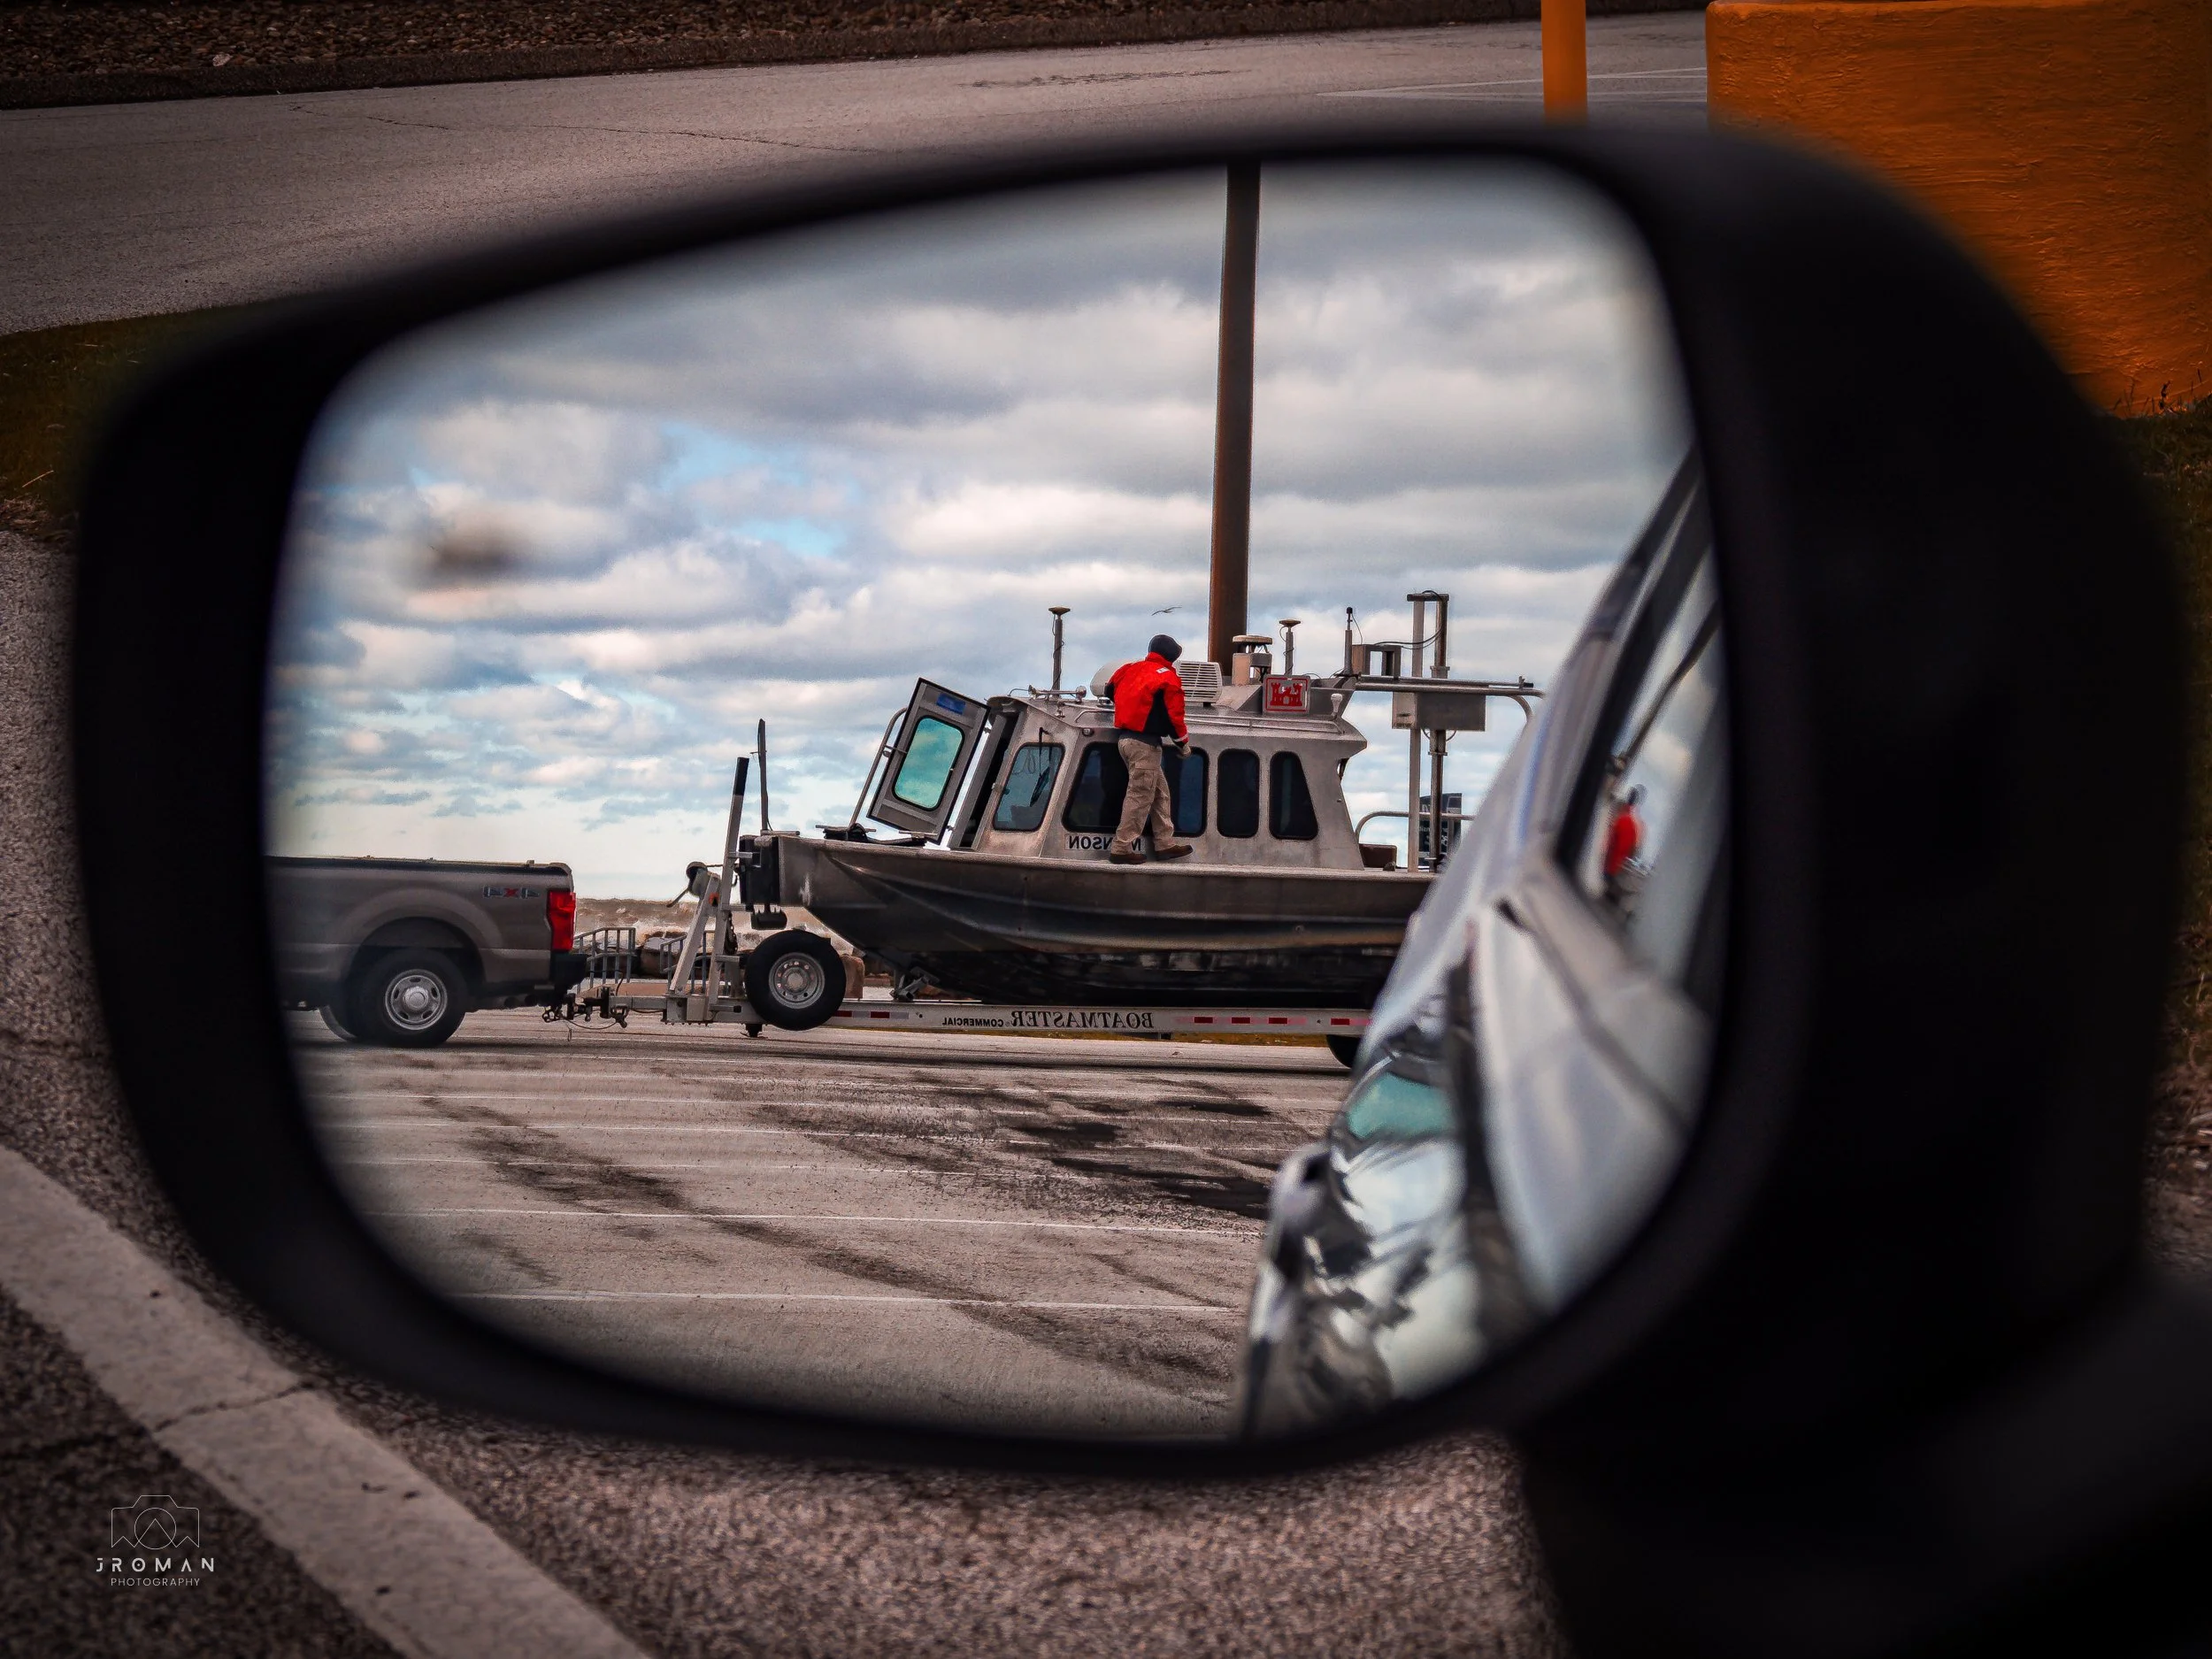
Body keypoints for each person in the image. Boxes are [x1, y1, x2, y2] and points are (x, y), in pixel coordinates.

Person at [1104, 634, 1195, 865]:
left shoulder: (1129, 668)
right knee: (1140, 796)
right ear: (1172, 657)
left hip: (1125, 740)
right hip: (1145, 744)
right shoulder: (1168, 678)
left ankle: (1164, 843)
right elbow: (1175, 717)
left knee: (1159, 792)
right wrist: (1183, 743)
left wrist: (1130, 707)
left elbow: (1108, 689)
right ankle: (1121, 848)